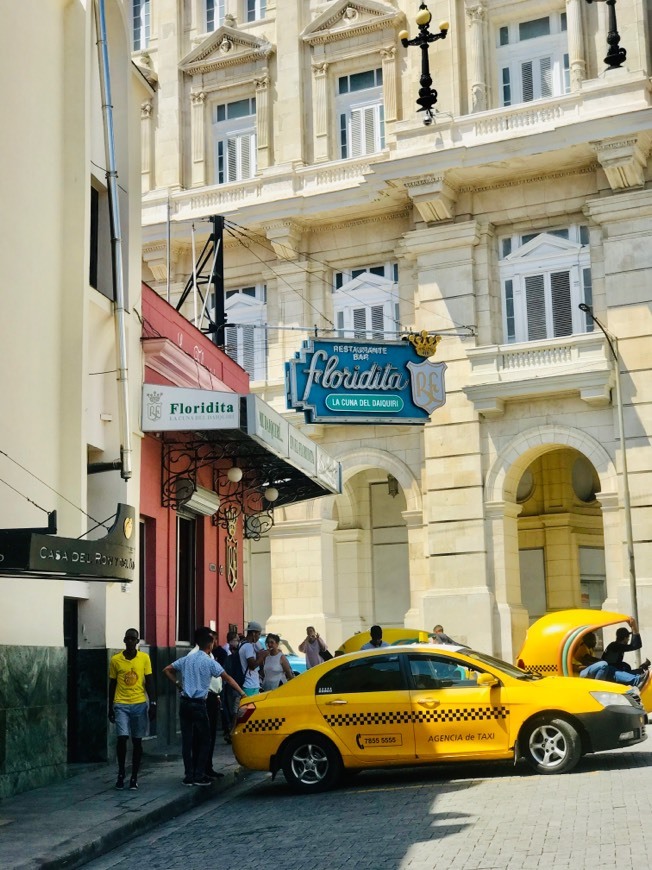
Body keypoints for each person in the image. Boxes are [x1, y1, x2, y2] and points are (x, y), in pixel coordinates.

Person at [163, 628, 245, 786]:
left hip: (185, 702)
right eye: (213, 641)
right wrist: (242, 693)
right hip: (200, 703)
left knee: (187, 740)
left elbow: (167, 670)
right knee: (205, 739)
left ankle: (189, 776)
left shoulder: (187, 659)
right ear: (210, 644)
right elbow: (227, 678)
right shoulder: (209, 661)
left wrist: (179, 685)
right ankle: (199, 775)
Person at [108, 628, 156, 791]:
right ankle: (121, 773)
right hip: (121, 704)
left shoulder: (144, 658)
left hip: (139, 704)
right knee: (122, 738)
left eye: (133, 639)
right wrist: (110, 707)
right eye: (127, 639)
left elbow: (149, 681)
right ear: (124, 640)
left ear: (137, 642)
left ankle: (134, 776)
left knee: (137, 741)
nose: (130, 641)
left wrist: (153, 704)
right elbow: (112, 683)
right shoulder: (116, 660)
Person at [187, 627, 222, 779]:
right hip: (202, 698)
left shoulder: (210, 654)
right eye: (210, 638)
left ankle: (208, 767)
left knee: (210, 735)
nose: (213, 641)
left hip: (213, 697)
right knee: (201, 736)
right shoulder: (193, 655)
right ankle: (198, 769)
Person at [580, 619, 650, 688]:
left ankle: (640, 672)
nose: (628, 640)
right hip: (608, 673)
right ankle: (638, 678)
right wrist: (634, 627)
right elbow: (635, 645)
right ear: (625, 638)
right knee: (619, 669)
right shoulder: (615, 646)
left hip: (610, 671)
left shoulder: (614, 645)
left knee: (625, 666)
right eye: (628, 638)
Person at [217, 630, 241, 741]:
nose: (238, 642)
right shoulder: (227, 652)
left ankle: (228, 729)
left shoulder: (227, 650)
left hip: (227, 683)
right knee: (229, 707)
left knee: (229, 707)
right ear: (232, 640)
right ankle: (229, 729)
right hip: (227, 683)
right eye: (236, 639)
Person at [239, 621, 268, 697]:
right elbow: (252, 665)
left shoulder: (242, 643)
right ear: (254, 633)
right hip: (250, 685)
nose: (259, 637)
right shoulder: (248, 646)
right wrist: (262, 656)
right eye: (259, 634)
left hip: (249, 684)